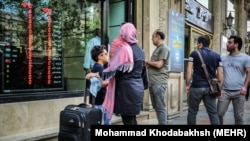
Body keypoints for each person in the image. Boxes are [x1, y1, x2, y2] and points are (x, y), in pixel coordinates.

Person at [86, 23, 145, 125]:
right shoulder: (140, 50)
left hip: (126, 91)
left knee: (128, 121)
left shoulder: (124, 49)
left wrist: (94, 74)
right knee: (132, 119)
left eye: (121, 33)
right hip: (138, 89)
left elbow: (109, 71)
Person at [185, 35, 223, 125]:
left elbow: (189, 70)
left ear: (200, 43)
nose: (197, 45)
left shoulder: (194, 54)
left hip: (196, 86)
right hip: (210, 88)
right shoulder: (217, 56)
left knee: (192, 111)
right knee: (213, 113)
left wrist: (187, 85)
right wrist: (219, 88)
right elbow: (220, 73)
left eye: (198, 43)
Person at [217, 35, 250, 125]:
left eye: (230, 42)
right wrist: (219, 89)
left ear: (236, 44)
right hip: (225, 91)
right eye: (227, 42)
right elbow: (221, 74)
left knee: (239, 117)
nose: (227, 44)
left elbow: (249, 73)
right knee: (218, 114)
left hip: (239, 92)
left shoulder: (245, 58)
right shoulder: (223, 58)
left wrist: (245, 87)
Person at [145, 29, 169, 125]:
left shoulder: (164, 48)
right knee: (157, 107)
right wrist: (150, 64)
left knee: (160, 107)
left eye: (153, 37)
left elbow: (159, 64)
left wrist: (147, 62)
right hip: (153, 82)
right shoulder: (158, 49)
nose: (151, 39)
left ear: (158, 37)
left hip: (159, 83)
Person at [89, 45, 111, 125]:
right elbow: (101, 84)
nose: (108, 56)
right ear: (100, 56)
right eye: (106, 54)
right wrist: (112, 81)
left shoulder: (98, 67)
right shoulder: (99, 67)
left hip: (100, 102)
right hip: (100, 103)